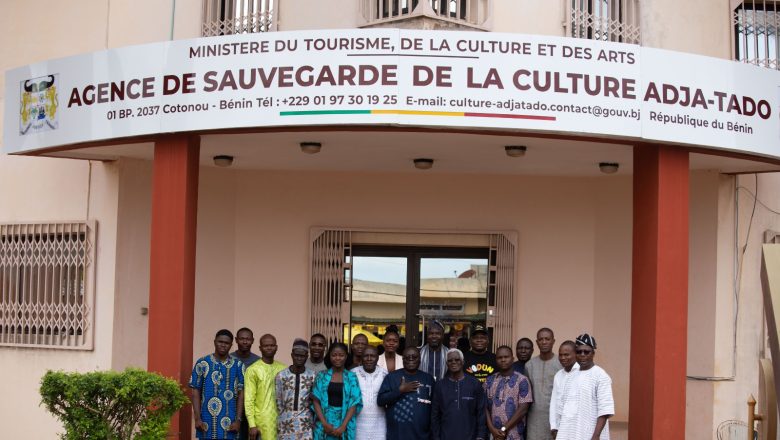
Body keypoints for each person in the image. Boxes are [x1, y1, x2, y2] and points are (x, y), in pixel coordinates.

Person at [554, 334, 614, 440]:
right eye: (579, 352)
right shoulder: (571, 375)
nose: (582, 355)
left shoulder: (601, 376)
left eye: (586, 352)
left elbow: (605, 410)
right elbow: (563, 406)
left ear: (593, 353)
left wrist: (596, 436)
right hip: (569, 432)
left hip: (591, 433)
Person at [189, 329, 245, 440]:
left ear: (231, 345)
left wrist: (238, 420)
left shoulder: (238, 365)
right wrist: (197, 418)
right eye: (220, 342)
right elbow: (195, 391)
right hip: (206, 422)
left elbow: (241, 394)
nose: (223, 345)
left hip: (230, 422)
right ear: (214, 342)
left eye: (227, 343)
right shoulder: (202, 363)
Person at [378, 346, 435, 440]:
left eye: (414, 357)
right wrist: (400, 390)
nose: (411, 359)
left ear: (420, 359)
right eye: (407, 357)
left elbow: (435, 408)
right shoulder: (392, 377)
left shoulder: (428, 379)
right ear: (403, 359)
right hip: (398, 435)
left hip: (423, 435)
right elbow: (380, 400)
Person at [431, 349, 487, 440]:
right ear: (447, 363)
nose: (453, 362)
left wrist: (480, 436)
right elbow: (435, 415)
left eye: (457, 360)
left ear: (463, 362)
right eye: (450, 360)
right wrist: (436, 437)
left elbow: (481, 412)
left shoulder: (474, 383)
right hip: (445, 436)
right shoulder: (440, 385)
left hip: (471, 436)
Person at [312, 342, 363, 440]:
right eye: (334, 355)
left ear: (346, 356)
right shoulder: (321, 376)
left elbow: (354, 402)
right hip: (324, 423)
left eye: (341, 355)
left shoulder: (352, 377)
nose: (337, 358)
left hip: (345, 423)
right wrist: (324, 424)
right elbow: (316, 401)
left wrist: (343, 426)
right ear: (329, 356)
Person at [484, 345, 533, 440]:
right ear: (496, 360)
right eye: (500, 358)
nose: (503, 360)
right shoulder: (489, 381)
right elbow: (484, 407)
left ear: (512, 359)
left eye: (506, 357)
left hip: (514, 435)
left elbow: (523, 409)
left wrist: (504, 429)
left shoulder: (522, 380)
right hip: (493, 435)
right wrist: (492, 429)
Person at [245, 333, 286, 440]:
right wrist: (252, 424)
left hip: (282, 421)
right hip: (261, 423)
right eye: (266, 345)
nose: (269, 348)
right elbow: (249, 399)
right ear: (260, 348)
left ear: (276, 347)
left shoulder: (283, 369)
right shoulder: (253, 370)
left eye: (272, 345)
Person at [275, 339, 317, 440]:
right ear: (292, 355)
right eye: (296, 355)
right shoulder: (281, 375)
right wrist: (285, 415)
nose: (299, 358)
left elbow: (314, 401)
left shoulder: (312, 376)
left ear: (307, 356)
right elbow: (278, 400)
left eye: (302, 356)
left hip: (305, 424)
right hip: (286, 423)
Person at [525, 327, 562, 440]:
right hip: (534, 420)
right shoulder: (529, 365)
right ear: (537, 342)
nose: (544, 342)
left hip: (555, 419)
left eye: (547, 339)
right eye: (541, 339)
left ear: (553, 341)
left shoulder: (561, 364)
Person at [353, 345, 388, 440]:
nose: (369, 359)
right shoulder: (353, 374)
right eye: (366, 356)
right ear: (361, 357)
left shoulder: (385, 374)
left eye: (372, 356)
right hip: (358, 424)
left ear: (377, 358)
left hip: (380, 424)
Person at [232, 327, 261, 440]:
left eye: (248, 339)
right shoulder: (229, 359)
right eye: (242, 339)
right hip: (233, 409)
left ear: (252, 340)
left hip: (253, 410)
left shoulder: (258, 361)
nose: (245, 342)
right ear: (236, 340)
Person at [549, 341, 579, 439]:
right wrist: (554, 427)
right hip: (561, 428)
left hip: (577, 428)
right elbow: (554, 403)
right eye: (560, 355)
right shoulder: (558, 375)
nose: (562, 358)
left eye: (566, 355)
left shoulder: (582, 373)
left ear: (575, 354)